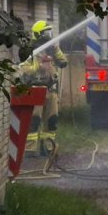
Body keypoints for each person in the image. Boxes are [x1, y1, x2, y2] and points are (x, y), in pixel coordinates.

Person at [20, 20, 68, 155]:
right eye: (46, 33)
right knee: (34, 121)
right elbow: (22, 69)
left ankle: (47, 147)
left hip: (50, 90)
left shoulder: (51, 49)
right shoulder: (29, 51)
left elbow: (63, 63)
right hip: (35, 89)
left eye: (50, 32)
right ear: (38, 34)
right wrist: (37, 66)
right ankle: (30, 149)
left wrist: (55, 50)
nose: (49, 35)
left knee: (52, 120)